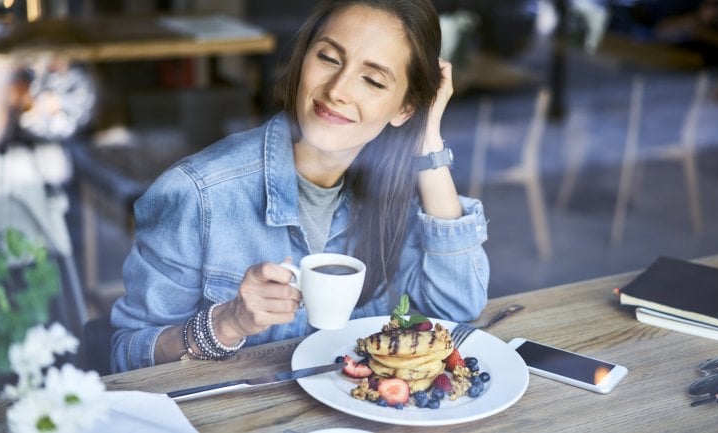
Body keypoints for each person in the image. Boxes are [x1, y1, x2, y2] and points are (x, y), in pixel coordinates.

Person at [111, 0, 490, 373]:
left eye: (373, 80)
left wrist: (428, 142)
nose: (338, 89)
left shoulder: (394, 194)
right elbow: (125, 355)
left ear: (405, 109)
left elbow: (456, 309)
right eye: (328, 58)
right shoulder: (197, 193)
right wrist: (227, 323)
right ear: (303, 57)